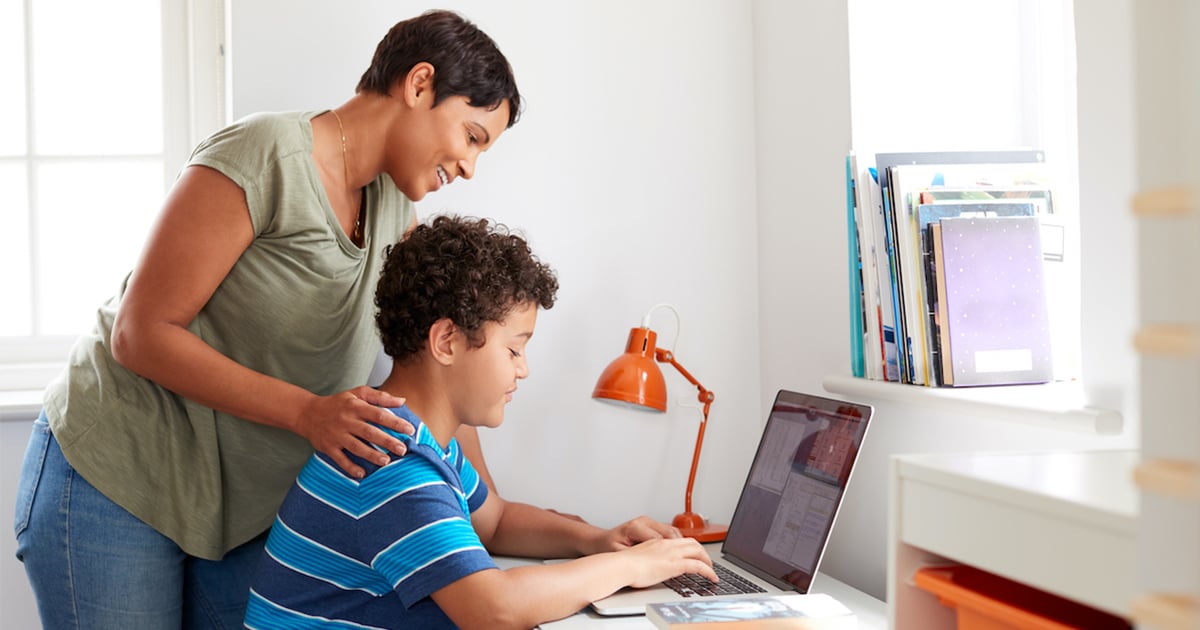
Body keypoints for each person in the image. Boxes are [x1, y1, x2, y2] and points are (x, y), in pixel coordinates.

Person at [13, 10, 600, 629]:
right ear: (420, 84)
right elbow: (140, 334)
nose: (470, 167)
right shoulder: (264, 156)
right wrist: (306, 412)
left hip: (234, 504)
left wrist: (484, 502)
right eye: (473, 136)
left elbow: (440, 354)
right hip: (119, 471)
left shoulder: (395, 203)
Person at [244, 215, 717, 629]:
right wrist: (633, 566)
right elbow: (494, 611)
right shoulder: (390, 464)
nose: (523, 369)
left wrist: (597, 539)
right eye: (513, 349)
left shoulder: (421, 441)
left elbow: (494, 520)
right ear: (447, 341)